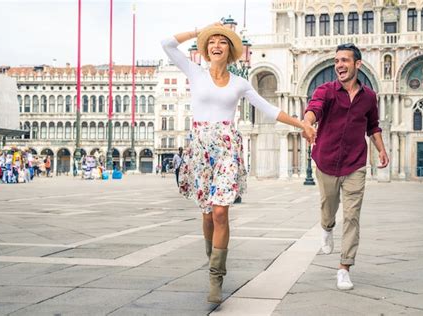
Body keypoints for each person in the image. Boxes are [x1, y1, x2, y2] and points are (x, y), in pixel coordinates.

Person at [161, 22, 316, 304]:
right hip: (200, 149)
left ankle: (215, 276)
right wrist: (199, 31)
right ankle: (213, 260)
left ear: (230, 50)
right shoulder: (195, 73)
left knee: (221, 212)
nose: (216, 45)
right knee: (207, 214)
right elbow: (167, 43)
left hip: (226, 148)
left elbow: (268, 109)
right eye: (212, 42)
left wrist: (300, 124)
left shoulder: (239, 82)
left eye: (222, 42)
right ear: (207, 50)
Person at [303, 43, 389, 291]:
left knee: (352, 216)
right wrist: (307, 123)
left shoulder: (370, 97)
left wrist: (381, 149)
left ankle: (344, 268)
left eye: (345, 61)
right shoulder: (326, 90)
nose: (339, 65)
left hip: (355, 163)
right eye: (337, 61)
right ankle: (327, 228)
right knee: (328, 208)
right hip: (326, 160)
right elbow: (313, 110)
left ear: (357, 64)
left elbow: (373, 125)